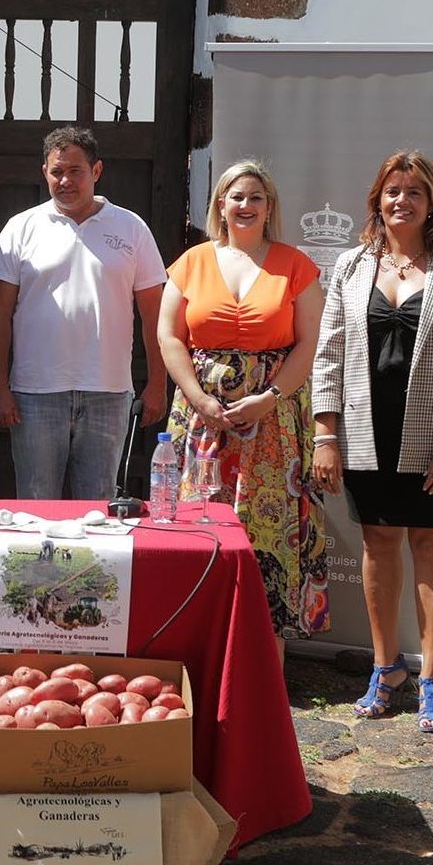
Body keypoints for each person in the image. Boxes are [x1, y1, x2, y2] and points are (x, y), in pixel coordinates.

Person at [307, 152, 433, 731]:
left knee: (432, 545)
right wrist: (324, 433)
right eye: (392, 190)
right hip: (363, 433)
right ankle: (386, 669)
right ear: (377, 200)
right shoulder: (350, 267)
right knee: (379, 542)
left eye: (414, 191)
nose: (401, 201)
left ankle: (431, 678)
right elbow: (330, 353)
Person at [158, 160, 331, 639]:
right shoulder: (191, 262)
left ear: (269, 206)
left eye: (256, 197)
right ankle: (197, 638)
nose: (246, 206)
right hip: (202, 420)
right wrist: (198, 399)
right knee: (200, 523)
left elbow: (308, 343)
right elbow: (169, 336)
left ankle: (267, 651)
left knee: (267, 532)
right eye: (237, 197)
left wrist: (269, 398)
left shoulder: (295, 265)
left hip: (270, 425)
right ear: (220, 204)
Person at [0, 127, 170, 500]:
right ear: (44, 172)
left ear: (97, 171)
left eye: (75, 171)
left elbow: (155, 315)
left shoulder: (132, 228)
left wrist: (157, 382)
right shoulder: (19, 229)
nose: (65, 181)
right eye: (57, 172)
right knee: (36, 509)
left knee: (98, 510)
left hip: (109, 391)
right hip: (35, 393)